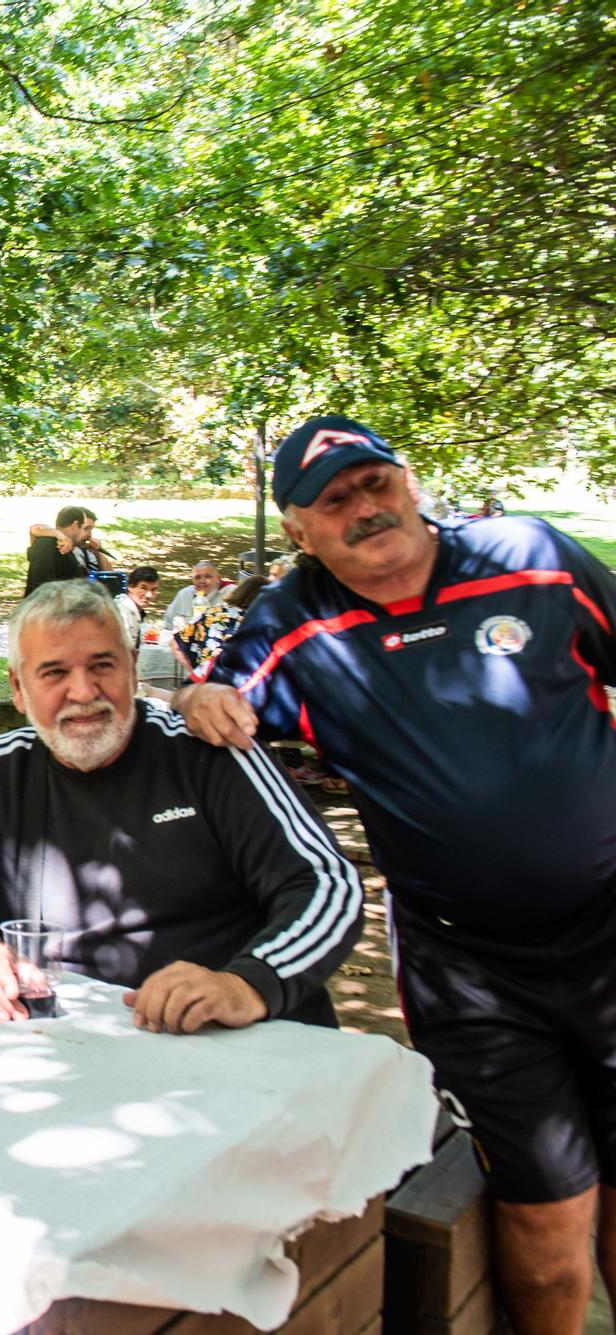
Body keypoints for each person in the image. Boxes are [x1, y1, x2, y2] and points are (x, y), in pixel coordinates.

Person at [175, 415, 616, 1333]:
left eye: (374, 482)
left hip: (612, 928)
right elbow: (214, 696)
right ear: (299, 530)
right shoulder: (294, 621)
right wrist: (199, 693)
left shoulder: (531, 555)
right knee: (545, 1217)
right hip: (474, 973)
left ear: (409, 480)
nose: (365, 508)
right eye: (333, 501)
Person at [0, 579, 361, 1035]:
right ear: (18, 688)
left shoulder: (210, 751)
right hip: (62, 1041)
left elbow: (326, 885)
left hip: (237, 1045)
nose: (84, 691)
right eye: (54, 672)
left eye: (102, 666)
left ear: (133, 669)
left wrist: (245, 983)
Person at [23, 506, 108, 595]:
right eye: (85, 528)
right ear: (75, 525)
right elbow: (42, 590)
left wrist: (97, 551)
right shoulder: (47, 545)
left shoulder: (81, 549)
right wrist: (60, 535)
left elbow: (111, 575)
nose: (89, 535)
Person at [161, 560, 229, 636]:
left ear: (217, 578)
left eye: (208, 576)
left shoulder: (230, 593)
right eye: (197, 577)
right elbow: (169, 623)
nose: (202, 581)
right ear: (192, 579)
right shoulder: (185, 594)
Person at [116, 565, 159, 652]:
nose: (149, 595)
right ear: (130, 586)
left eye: (153, 590)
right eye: (143, 588)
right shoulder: (123, 613)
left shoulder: (136, 610)